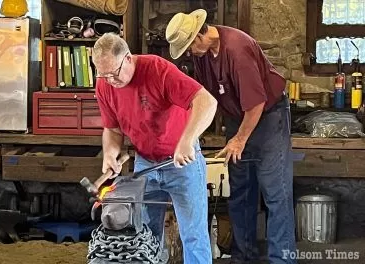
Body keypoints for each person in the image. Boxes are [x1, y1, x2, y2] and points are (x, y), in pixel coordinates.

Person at [166, 9, 297, 264]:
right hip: (238, 118)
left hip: (268, 116)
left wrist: (239, 139)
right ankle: (242, 257)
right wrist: (189, 134)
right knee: (240, 192)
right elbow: (206, 99)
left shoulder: (238, 49)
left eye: (189, 47)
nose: (189, 54)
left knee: (275, 193)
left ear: (199, 36)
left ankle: (282, 260)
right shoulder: (203, 56)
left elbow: (256, 104)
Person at [92, 32, 217, 263]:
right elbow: (113, 129)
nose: (110, 81)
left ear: (128, 58)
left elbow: (207, 101)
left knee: (193, 235)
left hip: (181, 161)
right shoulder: (105, 84)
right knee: (144, 234)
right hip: (145, 163)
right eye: (103, 75)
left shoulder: (159, 70)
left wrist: (187, 140)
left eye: (114, 74)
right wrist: (110, 153)